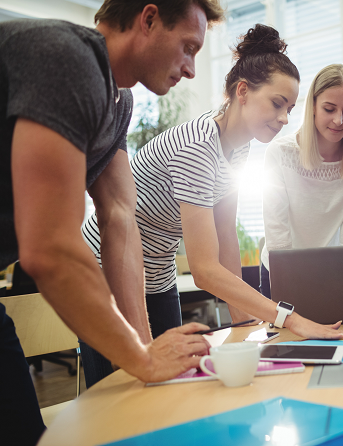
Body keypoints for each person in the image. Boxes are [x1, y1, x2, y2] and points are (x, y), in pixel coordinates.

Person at [81, 25, 343, 387]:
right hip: (108, 267)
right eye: (277, 104)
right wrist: (287, 318)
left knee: (168, 387)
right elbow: (204, 270)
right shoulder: (197, 146)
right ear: (242, 91)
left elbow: (226, 234)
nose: (285, 118)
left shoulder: (238, 147)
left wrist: (245, 323)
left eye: (290, 108)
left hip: (158, 273)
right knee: (120, 393)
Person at [0, 1, 224, 444]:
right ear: (148, 19)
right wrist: (141, 359)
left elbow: (121, 219)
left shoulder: (117, 99)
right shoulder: (68, 58)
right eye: (188, 47)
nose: (192, 68)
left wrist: (146, 354)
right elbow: (49, 250)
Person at [260, 64, 343, 298]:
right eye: (329, 109)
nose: (338, 120)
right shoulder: (281, 153)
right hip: (281, 268)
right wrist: (292, 284)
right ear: (313, 106)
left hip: (334, 269)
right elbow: (277, 234)